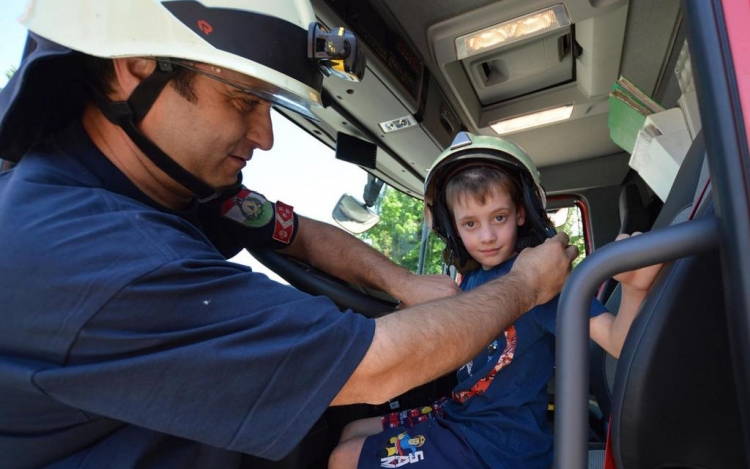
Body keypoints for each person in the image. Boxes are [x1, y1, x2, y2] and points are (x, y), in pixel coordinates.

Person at [0, 3, 578, 468]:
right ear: (135, 66)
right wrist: (526, 283)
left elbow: (299, 236)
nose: (266, 136)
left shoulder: (180, 193)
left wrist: (401, 281)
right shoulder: (95, 249)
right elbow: (374, 366)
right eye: (244, 99)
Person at [328, 132, 663, 469]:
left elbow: (619, 343)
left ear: (520, 213)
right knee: (353, 429)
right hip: (459, 415)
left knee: (344, 458)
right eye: (470, 223)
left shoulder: (540, 280)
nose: (486, 236)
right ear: (453, 227)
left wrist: (634, 290)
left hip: (501, 445)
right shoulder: (472, 280)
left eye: (498, 218)